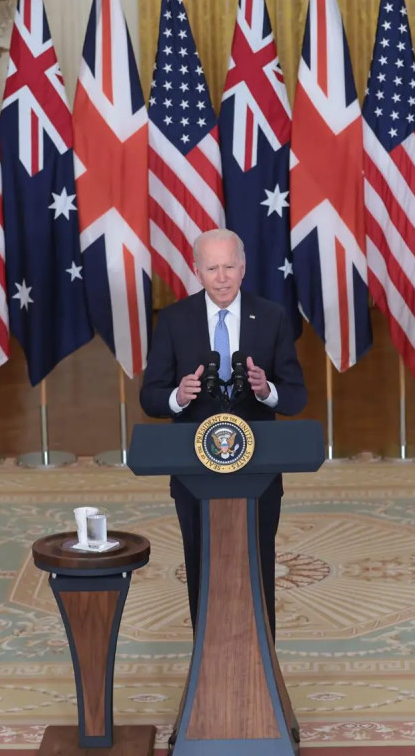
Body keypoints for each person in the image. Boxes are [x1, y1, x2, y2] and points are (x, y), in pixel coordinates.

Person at [140, 228, 307, 638]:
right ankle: (206, 654)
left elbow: (297, 397)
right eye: (212, 267)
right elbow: (150, 396)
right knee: (202, 562)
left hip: (259, 470)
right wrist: (178, 397)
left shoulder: (271, 317)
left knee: (256, 560)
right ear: (196, 271)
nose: (221, 276)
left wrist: (268, 390)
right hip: (194, 472)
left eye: (229, 266)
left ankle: (261, 654)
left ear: (244, 267)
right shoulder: (175, 320)